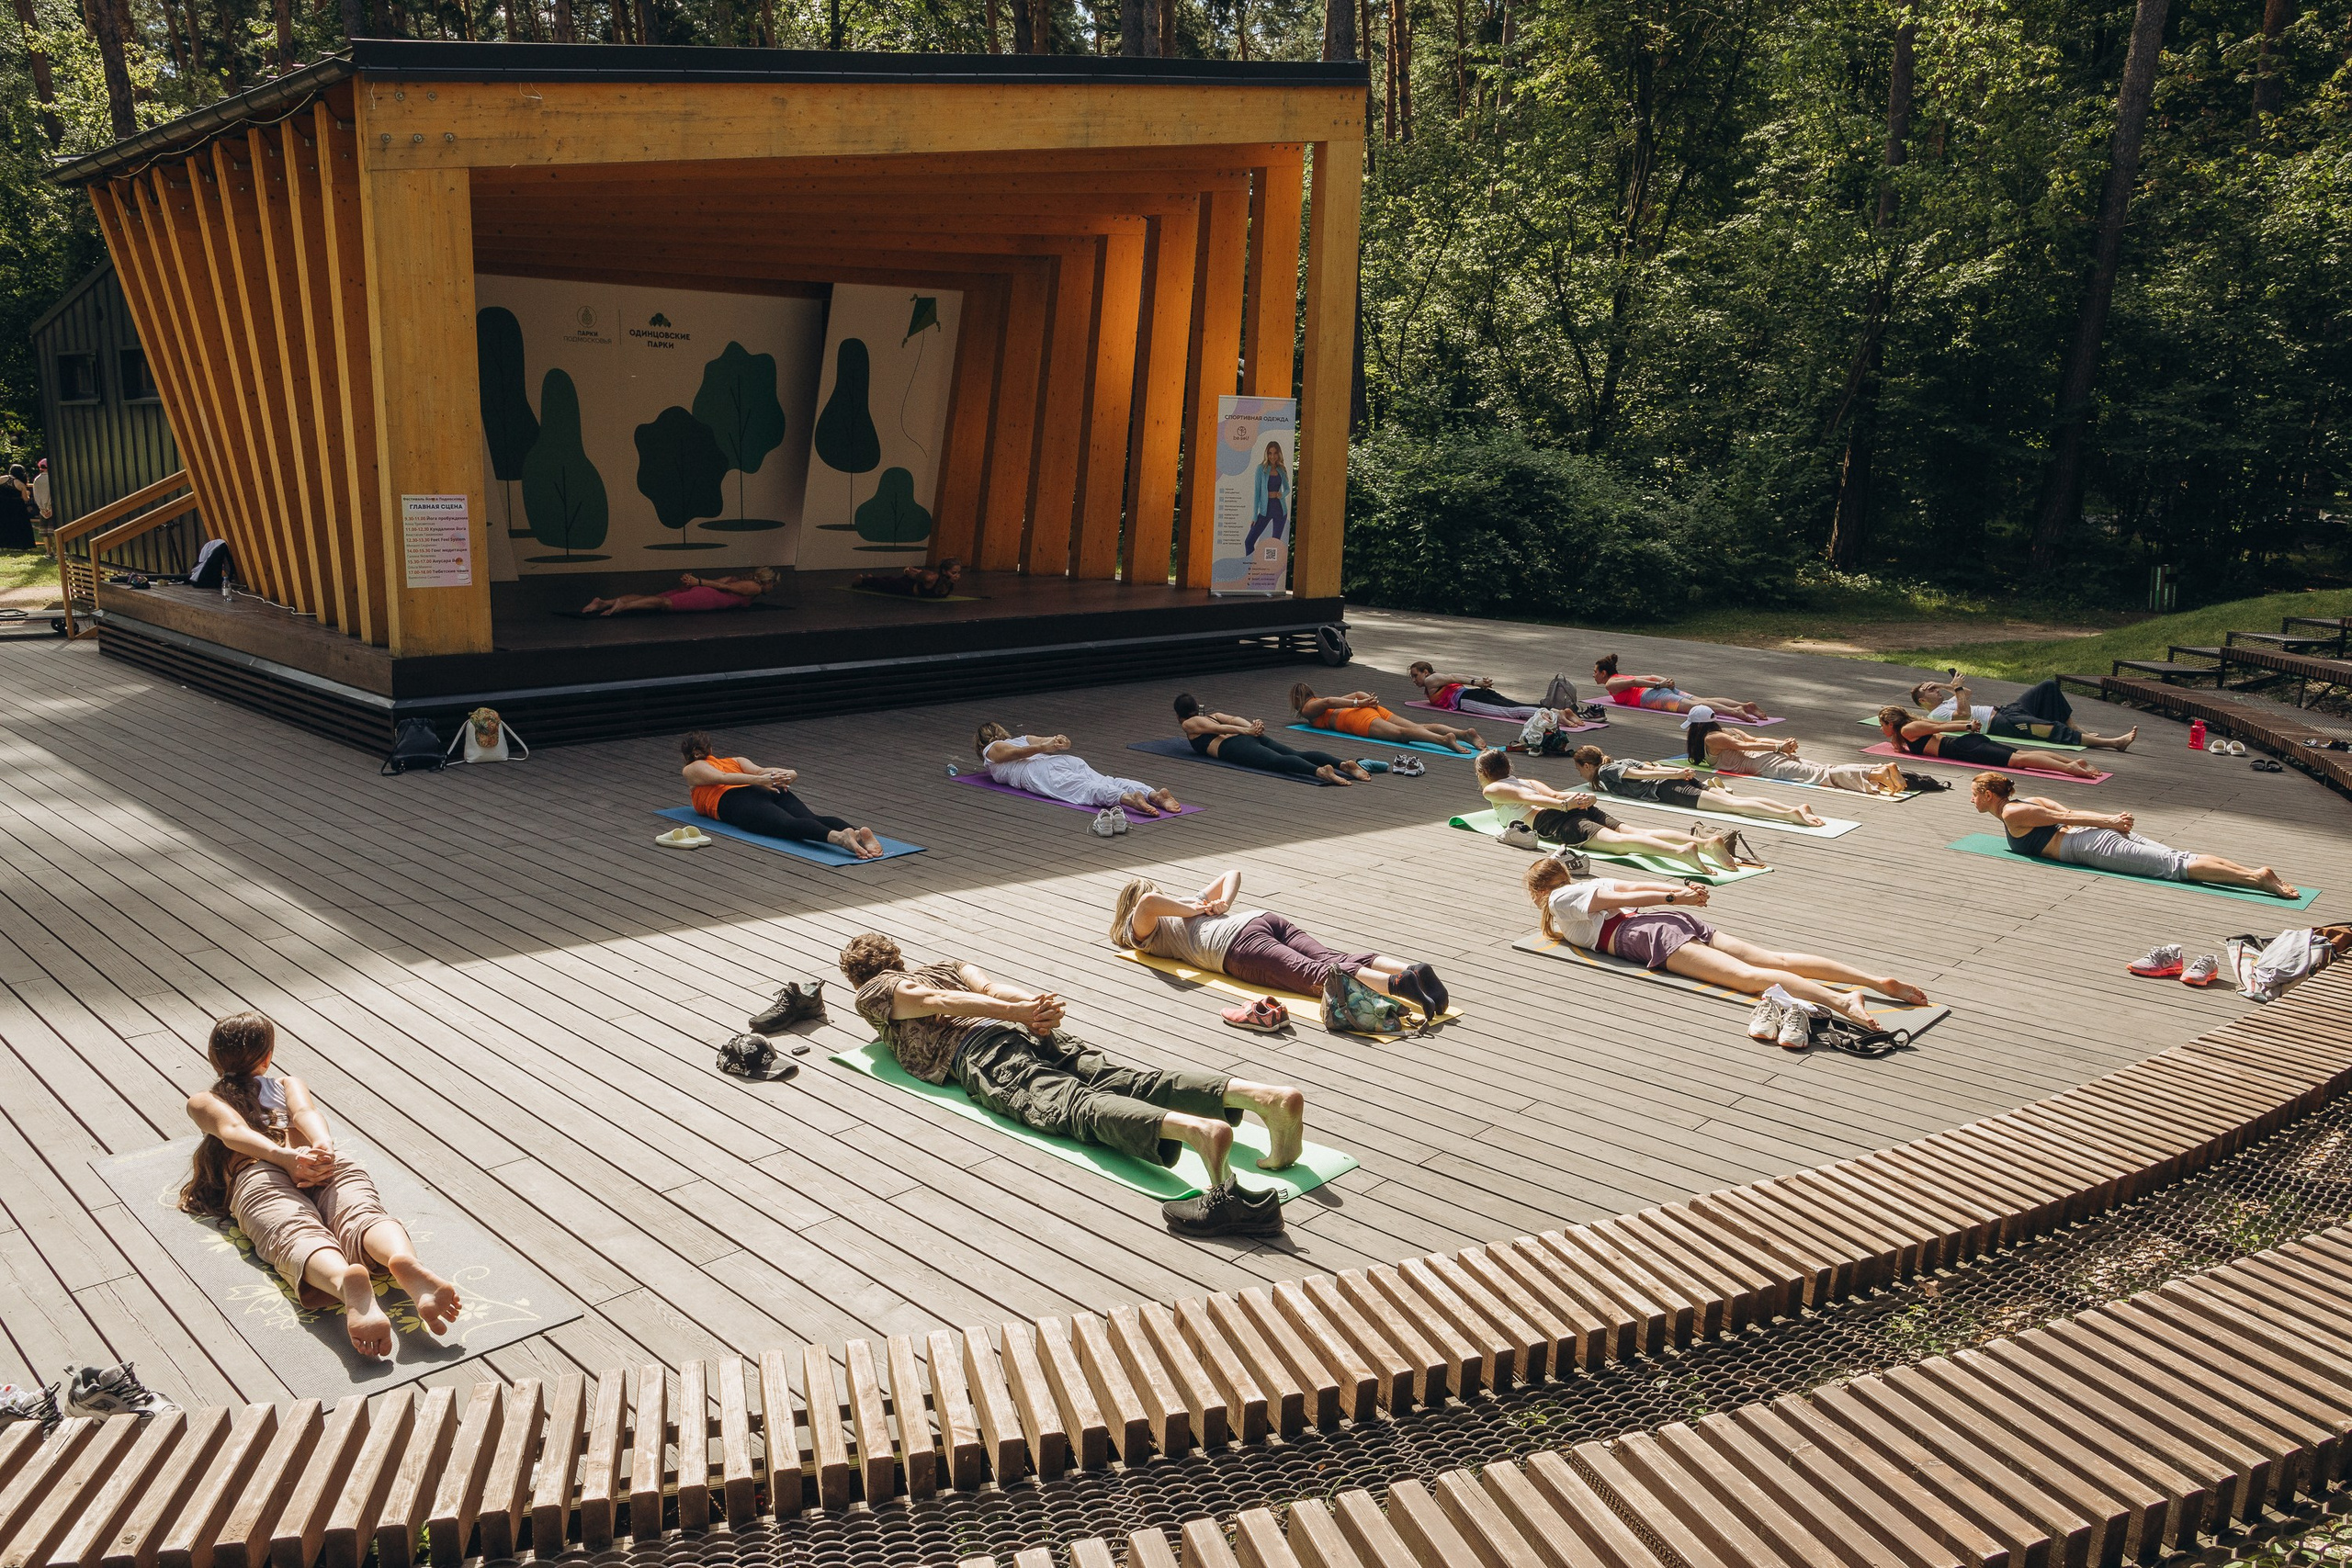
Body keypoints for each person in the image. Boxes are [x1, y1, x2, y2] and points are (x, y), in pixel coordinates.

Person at [842, 932, 1306, 1236]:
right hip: (1027, 1030)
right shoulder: (948, 962)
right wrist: (1035, 1010)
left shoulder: (874, 991)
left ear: (856, 976)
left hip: (984, 1050)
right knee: (1128, 1079)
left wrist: (1023, 1012)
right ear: (899, 956)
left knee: (1073, 1105)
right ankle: (1263, 1098)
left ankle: (1198, 1131)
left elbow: (935, 1000)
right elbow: (992, 990)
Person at [180, 1012, 462, 1359]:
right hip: (317, 1159)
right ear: (267, 1057)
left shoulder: (203, 1101)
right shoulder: (287, 1083)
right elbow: (305, 1114)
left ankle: (345, 1281)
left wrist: (283, 1158)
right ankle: (399, 1258)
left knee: (294, 1232)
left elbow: (233, 1133)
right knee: (362, 1214)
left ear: (214, 1058)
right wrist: (322, 1146)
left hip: (258, 1171)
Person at [1523, 855, 1926, 1035]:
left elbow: (1611, 902)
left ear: (1540, 890)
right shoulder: (1585, 883)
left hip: (1647, 934)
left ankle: (1843, 1002)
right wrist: (1677, 894)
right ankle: (1872, 980)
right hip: (1667, 922)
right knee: (1774, 957)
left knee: (1749, 978)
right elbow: (1630, 887)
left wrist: (1673, 897)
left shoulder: (1560, 900)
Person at [1113, 870, 1449, 1022]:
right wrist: (1220, 904)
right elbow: (1231, 872)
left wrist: (1199, 908)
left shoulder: (1142, 928)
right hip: (1263, 920)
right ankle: (1410, 969)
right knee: (1333, 956)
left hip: (1237, 946)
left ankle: (1398, 984)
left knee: (1317, 973)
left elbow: (1149, 903)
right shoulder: (1183, 904)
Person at [1969, 773, 2300, 897]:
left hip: (2087, 844)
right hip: (2091, 835)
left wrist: (2109, 821)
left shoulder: (2012, 811)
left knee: (2174, 867)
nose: (1972, 800)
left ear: (1987, 794)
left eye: (1974, 794)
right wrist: (2107, 821)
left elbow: (2065, 816)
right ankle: (2255, 873)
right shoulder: (2031, 800)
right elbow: (2067, 811)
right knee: (2178, 857)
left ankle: (2255, 878)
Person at [1475, 750, 1758, 873]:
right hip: (1572, 808)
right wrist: (1576, 799)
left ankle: (1681, 852)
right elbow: (1553, 794)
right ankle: (1704, 843)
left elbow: (1535, 799)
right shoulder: (1528, 780)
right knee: (1635, 832)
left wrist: (1566, 805)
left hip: (1552, 820)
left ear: (1485, 773)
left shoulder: (1492, 789)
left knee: (1621, 844)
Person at [680, 731, 886, 859]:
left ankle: (840, 838)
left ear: (686, 754)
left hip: (737, 800)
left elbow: (725, 777)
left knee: (787, 825)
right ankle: (859, 834)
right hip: (766, 789)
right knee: (811, 818)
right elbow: (758, 772)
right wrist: (775, 777)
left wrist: (788, 773)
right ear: (711, 748)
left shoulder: (691, 768)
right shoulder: (736, 760)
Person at [1570, 744, 1834, 828]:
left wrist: (1675, 776)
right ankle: (1793, 807)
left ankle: (1790, 815)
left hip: (1668, 789)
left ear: (1586, 766)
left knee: (1732, 806)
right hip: (1674, 781)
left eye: (1578, 769)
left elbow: (1638, 776)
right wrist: (1678, 772)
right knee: (1736, 800)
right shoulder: (1614, 763)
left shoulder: (1607, 770)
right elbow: (1649, 766)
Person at [975, 722, 1182, 818]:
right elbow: (1042, 742)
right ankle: (1154, 794)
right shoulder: (1022, 738)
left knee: (1085, 789)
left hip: (1038, 772)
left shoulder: (990, 749)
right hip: (1061, 762)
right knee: (1107, 779)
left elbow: (1014, 754)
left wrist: (1053, 743)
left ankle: (1128, 799)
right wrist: (1054, 743)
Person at [1690, 710, 1909, 795]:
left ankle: (1877, 774)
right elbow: (1753, 740)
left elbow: (1747, 746)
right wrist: (1779, 745)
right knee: (1825, 768)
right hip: (1769, 757)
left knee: (1821, 775)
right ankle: (1877, 769)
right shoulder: (1727, 730)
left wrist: (1779, 745)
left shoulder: (1711, 738)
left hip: (1764, 763)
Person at [1176, 693, 1372, 785]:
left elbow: (1219, 728)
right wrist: (1251, 728)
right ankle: (1344, 764)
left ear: (1179, 714)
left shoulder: (1188, 724)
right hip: (1245, 738)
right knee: (1296, 753)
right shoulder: (1213, 714)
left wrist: (1249, 730)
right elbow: (1230, 720)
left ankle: (1320, 772)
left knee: (1276, 761)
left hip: (1233, 745)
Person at [1906, 676, 2136, 751]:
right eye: (1932, 690)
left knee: (2047, 687)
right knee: (2050, 731)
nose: (1937, 691)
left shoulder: (1945, 701)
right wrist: (1954, 689)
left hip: (2007, 710)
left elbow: (1966, 692)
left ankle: (2077, 728)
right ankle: (2114, 742)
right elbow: (1964, 714)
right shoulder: (1937, 716)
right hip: (2003, 724)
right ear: (1924, 701)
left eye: (1935, 688)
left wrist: (1946, 685)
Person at [1876, 706, 2105, 779]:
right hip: (1967, 746)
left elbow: (1939, 727)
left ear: (1890, 722)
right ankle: (2074, 761)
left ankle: (2069, 769)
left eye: (1882, 724)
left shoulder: (1908, 729)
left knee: (2018, 761)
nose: (1881, 729)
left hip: (1965, 748)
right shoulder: (1905, 731)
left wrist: (1966, 725)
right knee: (2021, 754)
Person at [1289, 682, 1483, 752]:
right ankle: (1463, 734)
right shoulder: (1317, 701)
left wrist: (1360, 705)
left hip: (1356, 719)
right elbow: (1357, 692)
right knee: (1419, 726)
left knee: (1401, 733)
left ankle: (1443, 740)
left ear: (1298, 698)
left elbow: (1330, 701)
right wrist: (1367, 701)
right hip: (1369, 711)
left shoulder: (1308, 708)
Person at [1592, 654, 1769, 723]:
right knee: (1701, 700)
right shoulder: (1622, 676)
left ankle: (1735, 712)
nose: (1593, 676)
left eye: (1595, 672)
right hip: (1658, 689)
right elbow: (1649, 676)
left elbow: (1636, 683)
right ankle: (1744, 705)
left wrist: (1659, 685)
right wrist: (1666, 682)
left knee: (1695, 707)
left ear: (1604, 672)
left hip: (1650, 697)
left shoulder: (1610, 683)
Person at [1407, 663, 1571, 724]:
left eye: (1415, 675)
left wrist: (1476, 682)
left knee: (1512, 712)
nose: (1414, 680)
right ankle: (1558, 712)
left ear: (1426, 672)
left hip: (1467, 700)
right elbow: (1457, 676)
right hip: (1472, 694)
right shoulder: (1436, 679)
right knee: (1514, 705)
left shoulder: (1430, 680)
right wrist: (1479, 681)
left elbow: (1454, 677)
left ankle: (1553, 716)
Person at [582, 567, 775, 616]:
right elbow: (723, 588)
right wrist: (697, 582)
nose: (771, 589)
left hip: (704, 591)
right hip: (707, 599)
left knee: (654, 599)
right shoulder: (754, 587)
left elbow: (717, 582)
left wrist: (696, 583)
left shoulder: (736, 577)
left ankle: (603, 602)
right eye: (772, 584)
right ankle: (624, 605)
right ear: (765, 581)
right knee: (665, 604)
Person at [1245, 444, 1288, 556]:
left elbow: (1287, 489)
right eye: (1270, 453)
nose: (1272, 456)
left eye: (1275, 453)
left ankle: (1270, 570)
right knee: (1249, 542)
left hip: (1280, 510)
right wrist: (1255, 515)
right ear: (1266, 454)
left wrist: (1281, 495)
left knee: (1275, 546)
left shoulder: (1281, 470)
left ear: (1279, 454)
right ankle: (1252, 566)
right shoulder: (1261, 469)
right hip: (1265, 510)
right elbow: (1257, 493)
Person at [853, 558, 965, 598]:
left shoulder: (948, 582)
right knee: (885, 584)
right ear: (944, 571)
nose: (957, 576)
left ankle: (872, 578)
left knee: (889, 578)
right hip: (906, 587)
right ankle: (862, 580)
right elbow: (911, 574)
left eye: (958, 573)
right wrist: (908, 570)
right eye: (954, 572)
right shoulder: (931, 578)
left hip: (914, 585)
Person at [0, 464, 32, 551]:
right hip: (16, 507)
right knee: (18, 526)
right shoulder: (20, 484)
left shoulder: (1, 479)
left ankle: (3, 545)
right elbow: (25, 499)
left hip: (2, 506)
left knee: (3, 525)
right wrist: (28, 494)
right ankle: (18, 546)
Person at [29, 459, 49, 524]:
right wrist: (50, 508)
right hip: (52, 509)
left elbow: (36, 495)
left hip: (42, 510)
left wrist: (42, 509)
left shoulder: (37, 479)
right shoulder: (52, 478)